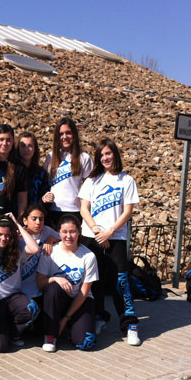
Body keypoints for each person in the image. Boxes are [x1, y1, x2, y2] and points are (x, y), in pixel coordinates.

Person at [79, 138, 141, 345]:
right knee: (94, 281)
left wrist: (110, 232)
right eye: (101, 155)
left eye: (108, 153)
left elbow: (128, 211)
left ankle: (130, 324)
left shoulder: (127, 181)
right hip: (92, 236)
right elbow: (84, 209)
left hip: (116, 238)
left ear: (115, 154)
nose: (105, 158)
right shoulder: (91, 181)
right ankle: (99, 316)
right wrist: (98, 231)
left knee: (121, 281)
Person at [36, 214, 98, 352]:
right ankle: (50, 335)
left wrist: (65, 318)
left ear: (79, 232)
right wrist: (55, 278)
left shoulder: (88, 256)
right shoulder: (50, 252)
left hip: (80, 300)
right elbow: (40, 284)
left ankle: (70, 326)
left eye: (73, 231)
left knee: (85, 344)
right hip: (58, 300)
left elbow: (84, 292)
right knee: (51, 287)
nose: (69, 236)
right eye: (64, 232)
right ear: (59, 232)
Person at [0, 213, 40, 352]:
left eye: (7, 235)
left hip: (13, 298)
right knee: (1, 347)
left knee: (32, 308)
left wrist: (17, 224)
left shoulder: (18, 247)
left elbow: (35, 249)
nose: (3, 239)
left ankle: (13, 333)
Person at [43, 117, 92, 227]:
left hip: (74, 211)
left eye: (68, 133)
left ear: (74, 134)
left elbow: (89, 187)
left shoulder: (84, 158)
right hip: (53, 210)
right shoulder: (51, 157)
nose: (64, 137)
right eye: (61, 134)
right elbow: (44, 184)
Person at [19, 203, 60, 311]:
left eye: (41, 219)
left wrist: (52, 239)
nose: (38, 222)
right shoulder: (19, 235)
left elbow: (66, 240)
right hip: (20, 289)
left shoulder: (47, 231)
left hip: (40, 288)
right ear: (25, 220)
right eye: (34, 219)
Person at [17, 131, 51, 208]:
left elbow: (45, 198)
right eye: (23, 146)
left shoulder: (41, 174)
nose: (26, 149)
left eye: (30, 146)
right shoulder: (12, 171)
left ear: (35, 149)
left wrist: (45, 199)